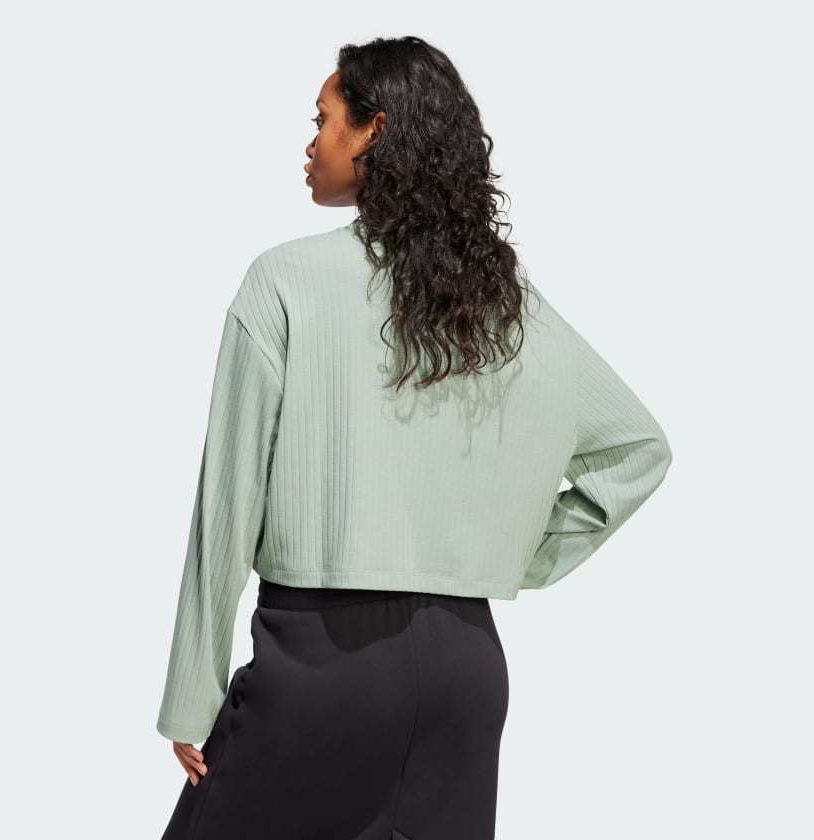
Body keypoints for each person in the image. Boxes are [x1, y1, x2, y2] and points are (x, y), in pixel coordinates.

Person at [156, 35, 673, 840]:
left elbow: (228, 501)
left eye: (323, 120)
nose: (311, 141)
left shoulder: (284, 282)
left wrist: (193, 692)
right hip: (468, 673)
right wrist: (512, 555)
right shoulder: (503, 305)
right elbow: (636, 449)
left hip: (321, 662)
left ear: (375, 130)